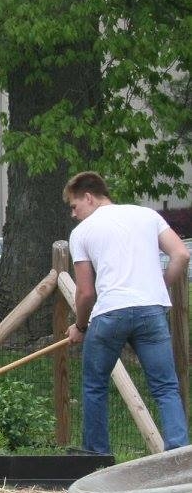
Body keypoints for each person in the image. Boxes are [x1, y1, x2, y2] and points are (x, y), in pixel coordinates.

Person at [64, 171, 189, 454]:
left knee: (95, 386)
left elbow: (85, 293)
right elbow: (181, 254)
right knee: (166, 388)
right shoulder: (147, 215)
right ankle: (180, 456)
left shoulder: (81, 232)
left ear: (88, 197)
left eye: (74, 206)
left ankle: (97, 456)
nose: (73, 214)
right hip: (151, 312)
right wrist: (160, 285)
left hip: (111, 314)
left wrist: (80, 327)